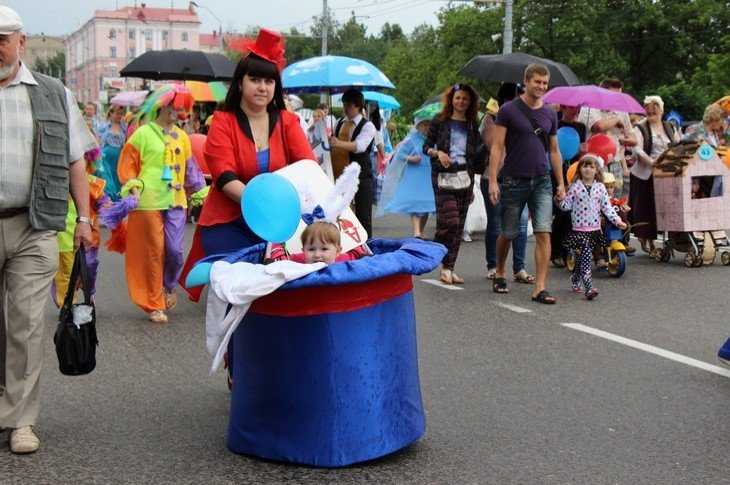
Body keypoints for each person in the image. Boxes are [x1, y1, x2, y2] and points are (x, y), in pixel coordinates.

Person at [0, 5, 96, 454]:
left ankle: (21, 420)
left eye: (2, 40)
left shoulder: (53, 93)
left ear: (21, 42)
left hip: (34, 224)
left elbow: (75, 159)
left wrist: (85, 219)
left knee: (26, 325)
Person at [181, 28, 315, 296]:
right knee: (236, 294)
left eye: (269, 81)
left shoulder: (288, 121)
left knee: (279, 296)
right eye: (255, 79)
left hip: (279, 222)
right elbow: (224, 176)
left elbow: (307, 168)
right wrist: (262, 206)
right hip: (229, 221)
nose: (262, 87)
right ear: (240, 83)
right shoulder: (223, 122)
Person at [116, 85, 205, 323]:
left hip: (176, 201)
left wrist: (202, 191)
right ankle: (154, 304)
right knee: (154, 251)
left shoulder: (183, 137)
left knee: (175, 251)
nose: (182, 112)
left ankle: (168, 285)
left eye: (185, 108)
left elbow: (191, 169)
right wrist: (133, 186)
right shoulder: (142, 134)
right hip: (148, 201)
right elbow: (128, 165)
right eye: (178, 107)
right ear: (164, 106)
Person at [488, 64, 566, 304]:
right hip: (514, 179)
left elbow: (554, 150)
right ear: (526, 81)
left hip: (542, 180)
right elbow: (497, 147)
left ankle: (540, 288)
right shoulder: (508, 110)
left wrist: (561, 183)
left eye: (545, 83)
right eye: (537, 82)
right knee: (509, 232)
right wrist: (493, 180)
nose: (541, 86)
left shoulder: (550, 113)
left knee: (543, 232)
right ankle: (500, 271)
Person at [424, 83, 484, 285]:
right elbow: (426, 146)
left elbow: (476, 155)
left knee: (458, 226)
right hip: (442, 176)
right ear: (451, 99)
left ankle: (449, 268)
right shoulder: (439, 120)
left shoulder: (472, 124)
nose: (461, 101)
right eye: (458, 97)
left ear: (470, 102)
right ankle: (438, 254)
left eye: (465, 98)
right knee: (450, 222)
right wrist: (438, 153)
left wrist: (473, 185)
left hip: (465, 178)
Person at [480, 96, 534, 284]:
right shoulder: (490, 119)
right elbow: (492, 144)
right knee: (496, 223)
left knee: (521, 224)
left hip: (520, 177)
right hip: (494, 176)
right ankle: (493, 266)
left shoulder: (528, 117)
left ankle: (519, 268)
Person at [559, 154, 626, 300]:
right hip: (579, 230)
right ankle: (589, 288)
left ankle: (575, 278)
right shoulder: (575, 187)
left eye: (591, 166)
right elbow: (566, 206)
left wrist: (617, 220)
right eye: (585, 166)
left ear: (596, 171)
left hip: (594, 230)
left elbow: (607, 208)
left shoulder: (600, 188)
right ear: (580, 169)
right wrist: (560, 199)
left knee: (582, 258)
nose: (588, 169)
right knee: (586, 258)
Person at [52, 147, 108, 307]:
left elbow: (104, 202)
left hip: (87, 238)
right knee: (66, 273)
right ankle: (68, 306)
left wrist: (110, 208)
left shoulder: (93, 183)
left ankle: (88, 292)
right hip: (62, 238)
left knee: (88, 269)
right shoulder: (57, 182)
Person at [630, 95, 679, 256]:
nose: (651, 113)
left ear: (661, 111)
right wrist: (651, 162)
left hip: (665, 173)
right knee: (646, 208)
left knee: (663, 207)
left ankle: (668, 238)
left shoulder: (670, 127)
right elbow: (637, 149)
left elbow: (678, 145)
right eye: (648, 110)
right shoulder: (639, 128)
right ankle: (647, 240)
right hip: (645, 173)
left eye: (655, 110)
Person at [376, 115, 435, 238]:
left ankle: (421, 231)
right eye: (424, 124)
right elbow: (399, 155)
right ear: (418, 126)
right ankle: (416, 232)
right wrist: (411, 158)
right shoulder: (411, 140)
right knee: (415, 203)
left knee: (426, 204)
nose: (427, 127)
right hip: (413, 175)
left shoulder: (433, 140)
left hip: (428, 174)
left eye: (429, 124)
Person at [329, 89, 377, 237]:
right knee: (341, 214)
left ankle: (367, 245)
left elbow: (359, 146)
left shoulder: (367, 126)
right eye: (344, 105)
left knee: (363, 215)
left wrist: (338, 143)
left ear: (358, 106)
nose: (345, 109)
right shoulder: (339, 123)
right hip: (340, 174)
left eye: (349, 105)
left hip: (361, 175)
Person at [578, 78, 637, 198]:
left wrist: (625, 140)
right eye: (614, 95)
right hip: (594, 163)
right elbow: (598, 126)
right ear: (601, 93)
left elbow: (633, 138)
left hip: (616, 162)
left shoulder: (622, 111)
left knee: (616, 200)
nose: (617, 99)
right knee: (595, 199)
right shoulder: (589, 108)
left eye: (619, 96)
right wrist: (616, 119)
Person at [96, 104, 126, 200]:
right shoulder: (104, 126)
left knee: (118, 176)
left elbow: (125, 142)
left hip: (119, 157)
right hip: (106, 157)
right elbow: (98, 141)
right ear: (111, 113)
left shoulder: (124, 127)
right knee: (108, 177)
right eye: (117, 113)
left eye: (121, 114)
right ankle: (109, 198)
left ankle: (118, 197)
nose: (119, 116)